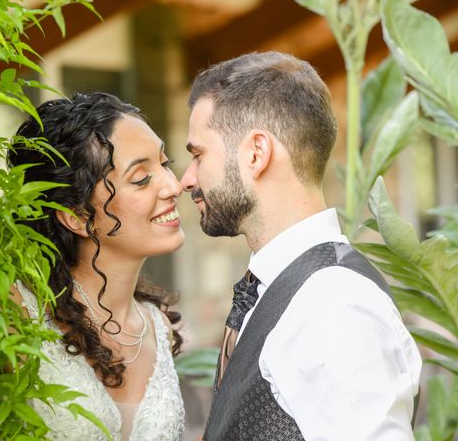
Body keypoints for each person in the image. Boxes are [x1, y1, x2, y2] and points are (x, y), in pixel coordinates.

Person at [180, 51, 422, 441]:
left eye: (198, 154)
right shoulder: (289, 287)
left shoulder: (335, 304)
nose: (186, 179)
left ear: (256, 153)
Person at [7, 92, 186, 441]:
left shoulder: (157, 326)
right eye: (140, 178)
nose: (173, 185)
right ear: (76, 216)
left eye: (165, 163)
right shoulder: (15, 317)